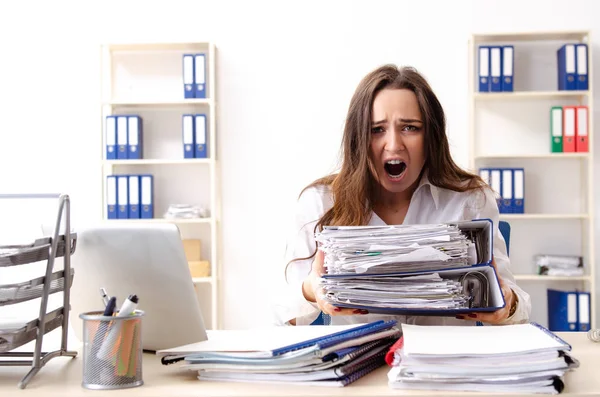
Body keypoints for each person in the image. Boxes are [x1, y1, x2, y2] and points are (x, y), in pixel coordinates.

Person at [274, 64, 531, 327]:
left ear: (430, 136)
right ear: (358, 139)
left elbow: (516, 305)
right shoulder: (321, 201)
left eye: (410, 127)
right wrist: (310, 289)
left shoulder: (470, 199)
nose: (394, 144)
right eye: (377, 129)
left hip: (443, 364)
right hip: (360, 363)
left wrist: (507, 305)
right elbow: (284, 317)